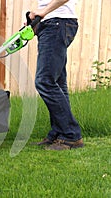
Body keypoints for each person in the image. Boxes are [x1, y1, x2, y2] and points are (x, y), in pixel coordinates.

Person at [29, 0, 84, 150]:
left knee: (44, 81)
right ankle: (59, 133)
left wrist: (44, 12)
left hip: (58, 23)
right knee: (57, 82)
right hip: (52, 24)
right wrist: (37, 17)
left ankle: (71, 135)